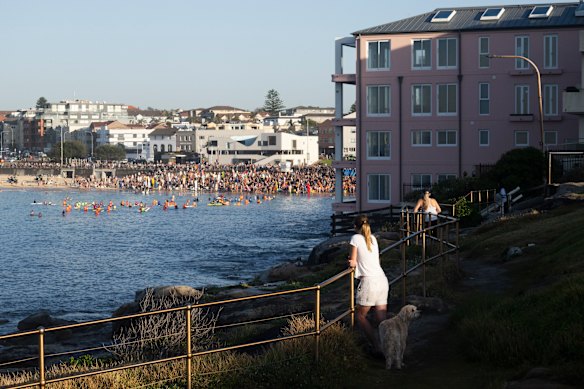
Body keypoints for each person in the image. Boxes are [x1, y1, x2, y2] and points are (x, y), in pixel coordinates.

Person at [347, 214, 389, 354]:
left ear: (355, 227)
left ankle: (377, 346)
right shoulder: (373, 239)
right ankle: (388, 346)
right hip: (382, 279)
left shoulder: (355, 238)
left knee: (360, 316)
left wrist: (351, 263)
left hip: (369, 282)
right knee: (381, 318)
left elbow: (352, 261)